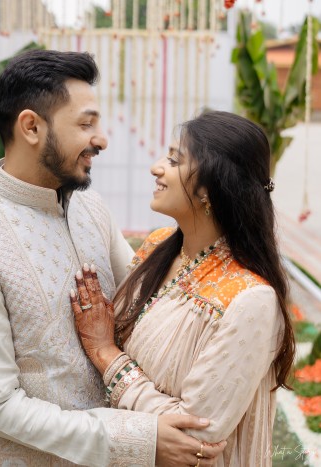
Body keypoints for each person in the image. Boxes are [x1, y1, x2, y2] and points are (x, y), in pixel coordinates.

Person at [0, 50, 227, 466]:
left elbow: (144, 305)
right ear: (31, 127)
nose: (101, 139)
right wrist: (136, 439)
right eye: (86, 124)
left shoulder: (90, 207)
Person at [70, 110, 296, 467]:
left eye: (175, 160)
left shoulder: (250, 299)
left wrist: (106, 355)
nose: (156, 168)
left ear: (208, 188)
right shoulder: (156, 247)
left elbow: (195, 435)